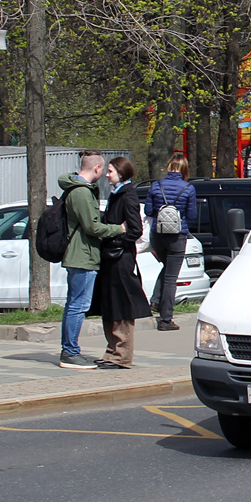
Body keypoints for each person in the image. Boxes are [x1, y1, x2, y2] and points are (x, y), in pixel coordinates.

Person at [58, 151, 125, 369]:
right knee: (78, 306)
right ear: (96, 168)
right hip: (82, 255)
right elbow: (92, 227)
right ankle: (70, 352)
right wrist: (119, 229)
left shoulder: (77, 189)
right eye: (103, 169)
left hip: (80, 255)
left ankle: (69, 350)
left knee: (74, 304)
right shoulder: (81, 193)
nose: (104, 173)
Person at [91, 157, 152, 368]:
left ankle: (122, 355)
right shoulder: (116, 194)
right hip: (111, 259)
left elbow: (135, 229)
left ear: (121, 173)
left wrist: (117, 240)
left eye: (110, 171)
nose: (107, 175)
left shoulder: (127, 195)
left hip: (121, 259)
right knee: (110, 306)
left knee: (121, 306)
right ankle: (111, 352)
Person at [144, 152, 198, 331]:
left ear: (168, 166)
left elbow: (149, 211)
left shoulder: (156, 185)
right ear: (184, 169)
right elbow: (192, 215)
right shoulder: (188, 188)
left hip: (158, 234)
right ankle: (166, 319)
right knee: (171, 278)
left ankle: (156, 301)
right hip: (177, 235)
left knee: (166, 268)